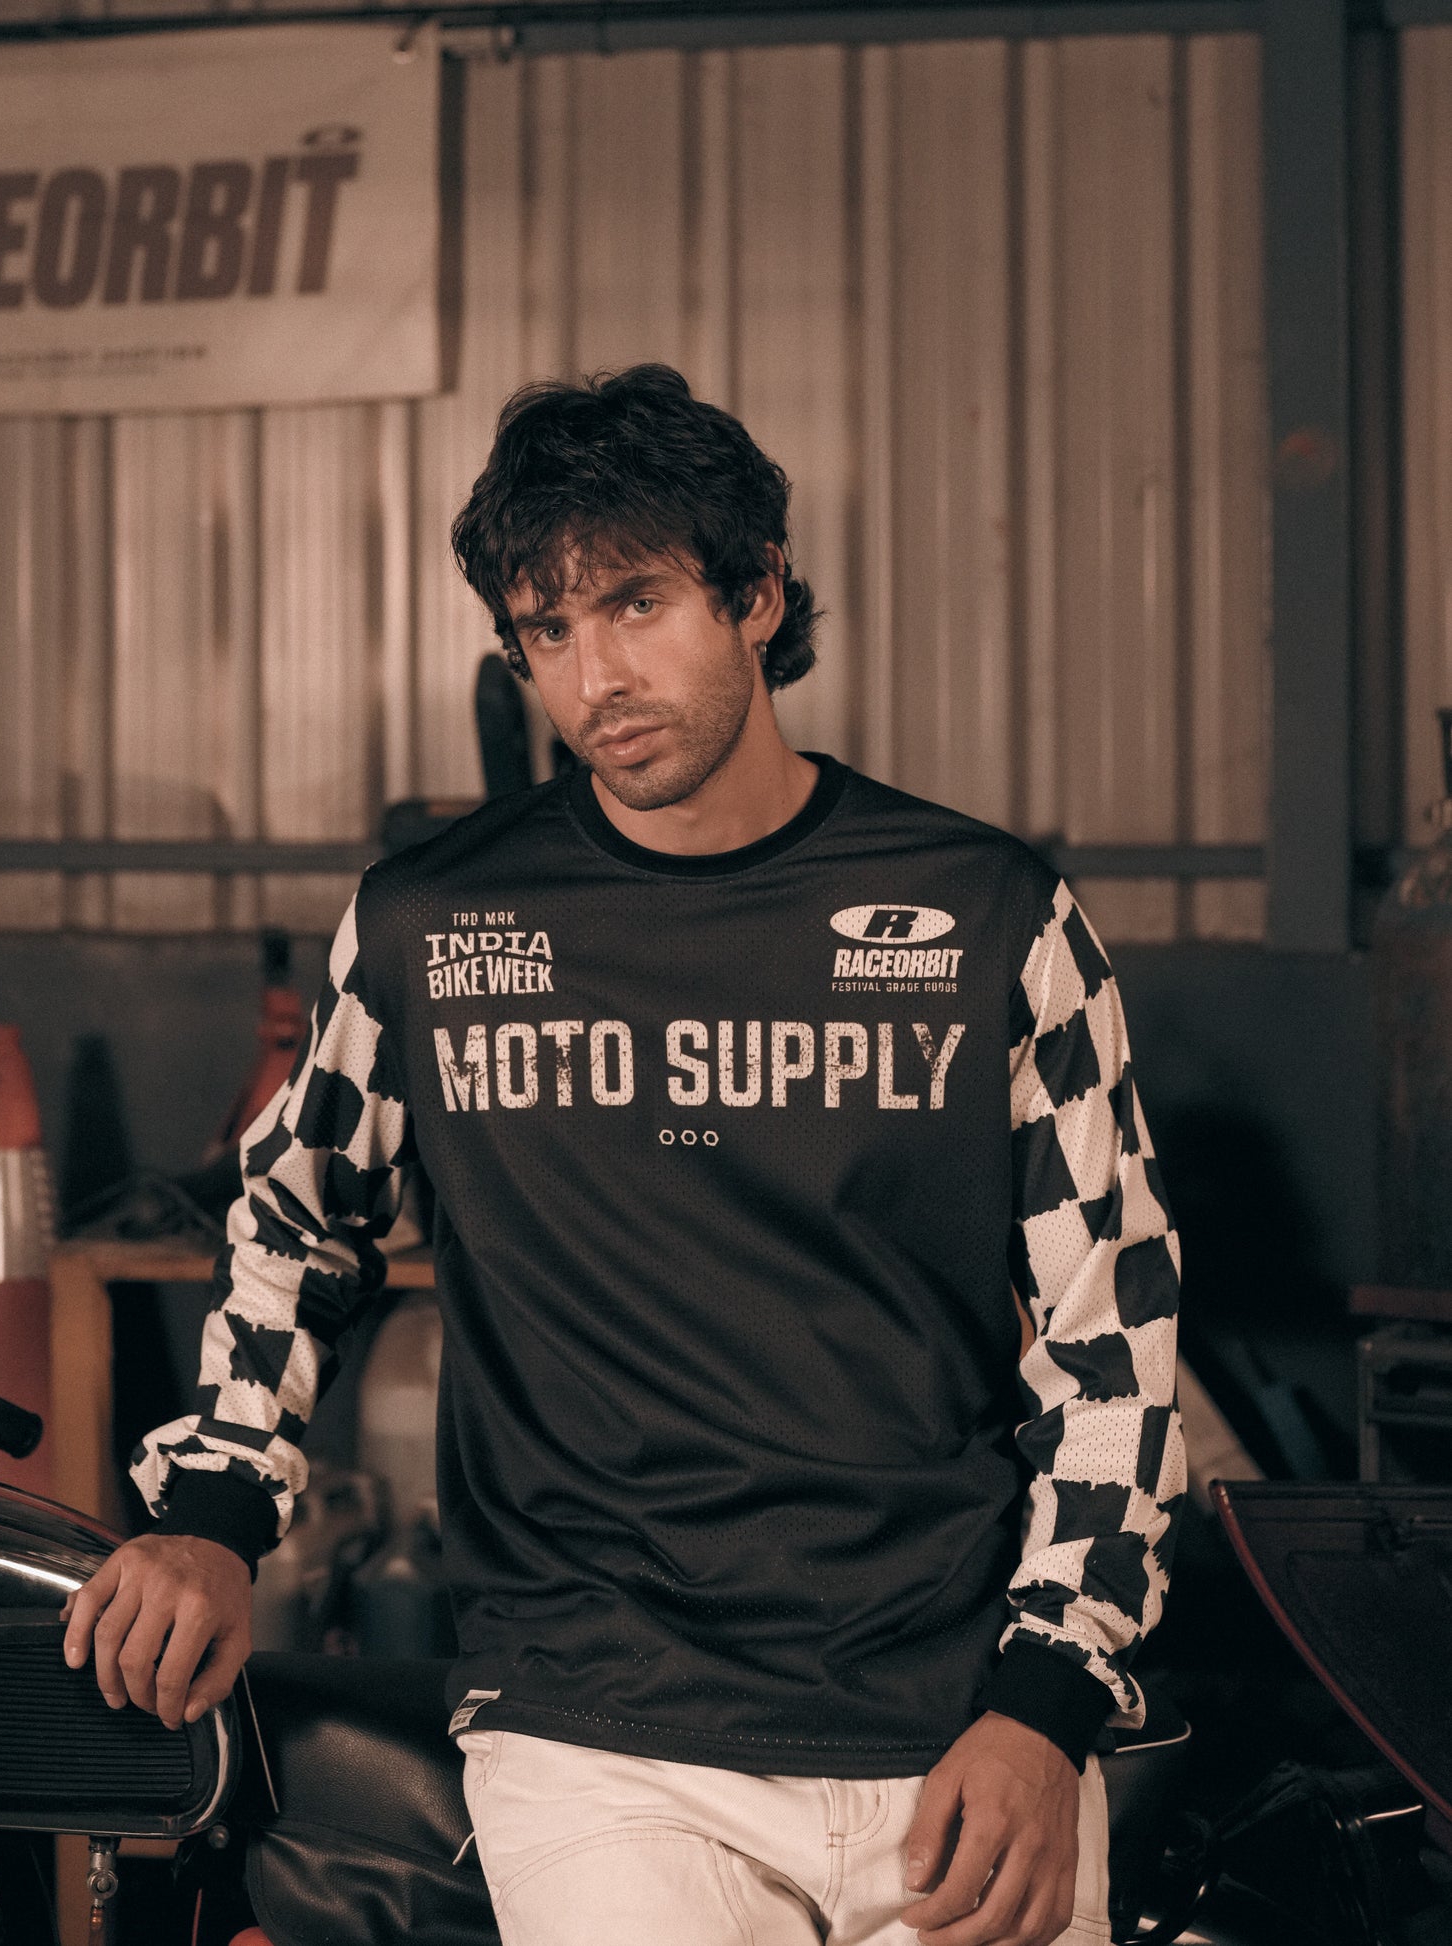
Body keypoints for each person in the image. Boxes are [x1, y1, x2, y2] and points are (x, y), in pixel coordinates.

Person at [63, 364, 1183, 1946]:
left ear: (756, 593)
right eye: (546, 631)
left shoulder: (988, 913)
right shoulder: (432, 923)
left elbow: (1111, 1336)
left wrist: (1048, 1698)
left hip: (956, 1716)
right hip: (598, 1725)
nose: (594, 677)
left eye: (635, 604)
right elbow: (297, 1219)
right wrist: (217, 1509)